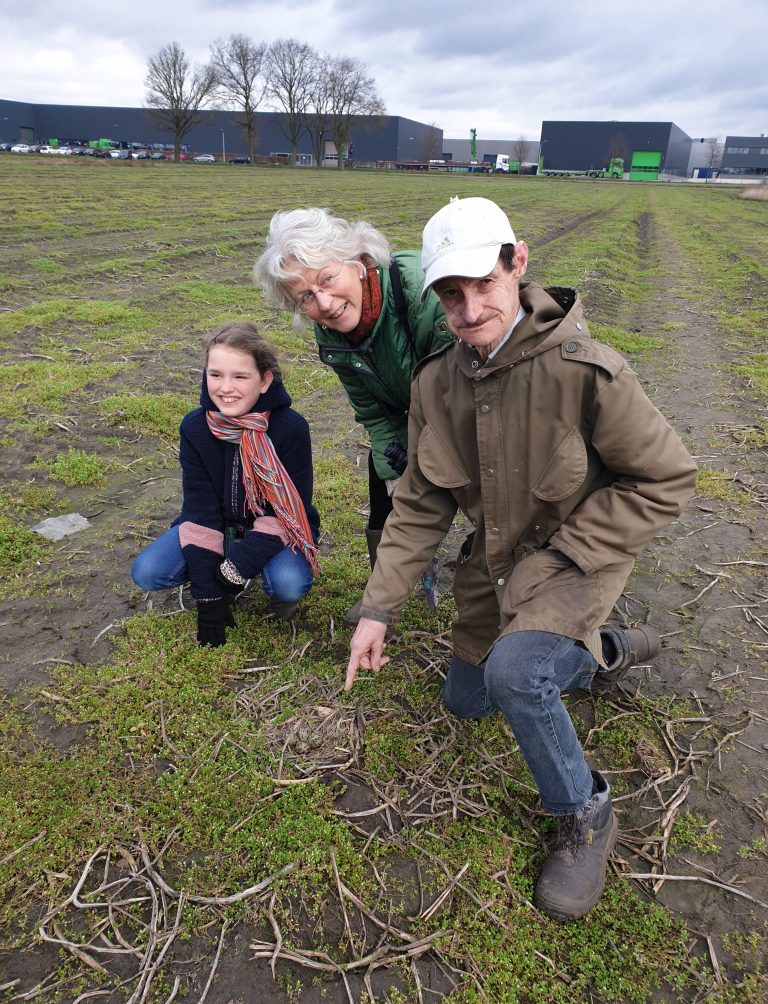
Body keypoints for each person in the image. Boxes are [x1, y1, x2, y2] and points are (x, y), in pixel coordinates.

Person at [345, 196, 698, 922]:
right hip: (496, 559)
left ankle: (585, 813)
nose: (469, 310)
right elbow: (418, 505)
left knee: (514, 671)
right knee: (468, 701)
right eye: (451, 294)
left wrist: (572, 550)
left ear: (519, 263)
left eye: (483, 285)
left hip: (578, 559)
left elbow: (666, 479)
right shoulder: (435, 384)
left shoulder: (588, 372)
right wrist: (377, 608)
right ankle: (598, 654)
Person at [253, 207, 454, 623]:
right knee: (384, 476)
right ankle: (386, 592)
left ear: (358, 262)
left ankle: (501, 591)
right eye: (305, 297)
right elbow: (375, 415)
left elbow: (463, 394)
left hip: (469, 413)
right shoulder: (332, 336)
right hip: (413, 411)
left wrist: (425, 451)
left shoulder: (422, 295)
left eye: (327, 278)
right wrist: (397, 470)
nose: (324, 303)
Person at [131, 321, 320, 646]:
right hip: (217, 525)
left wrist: (232, 573)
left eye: (240, 376)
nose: (225, 387)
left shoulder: (291, 429)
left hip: (278, 527)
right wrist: (208, 598)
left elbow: (287, 513)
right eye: (215, 375)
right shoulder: (195, 428)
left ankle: (269, 586)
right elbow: (200, 512)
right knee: (148, 571)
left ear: (264, 381)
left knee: (288, 582)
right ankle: (214, 563)